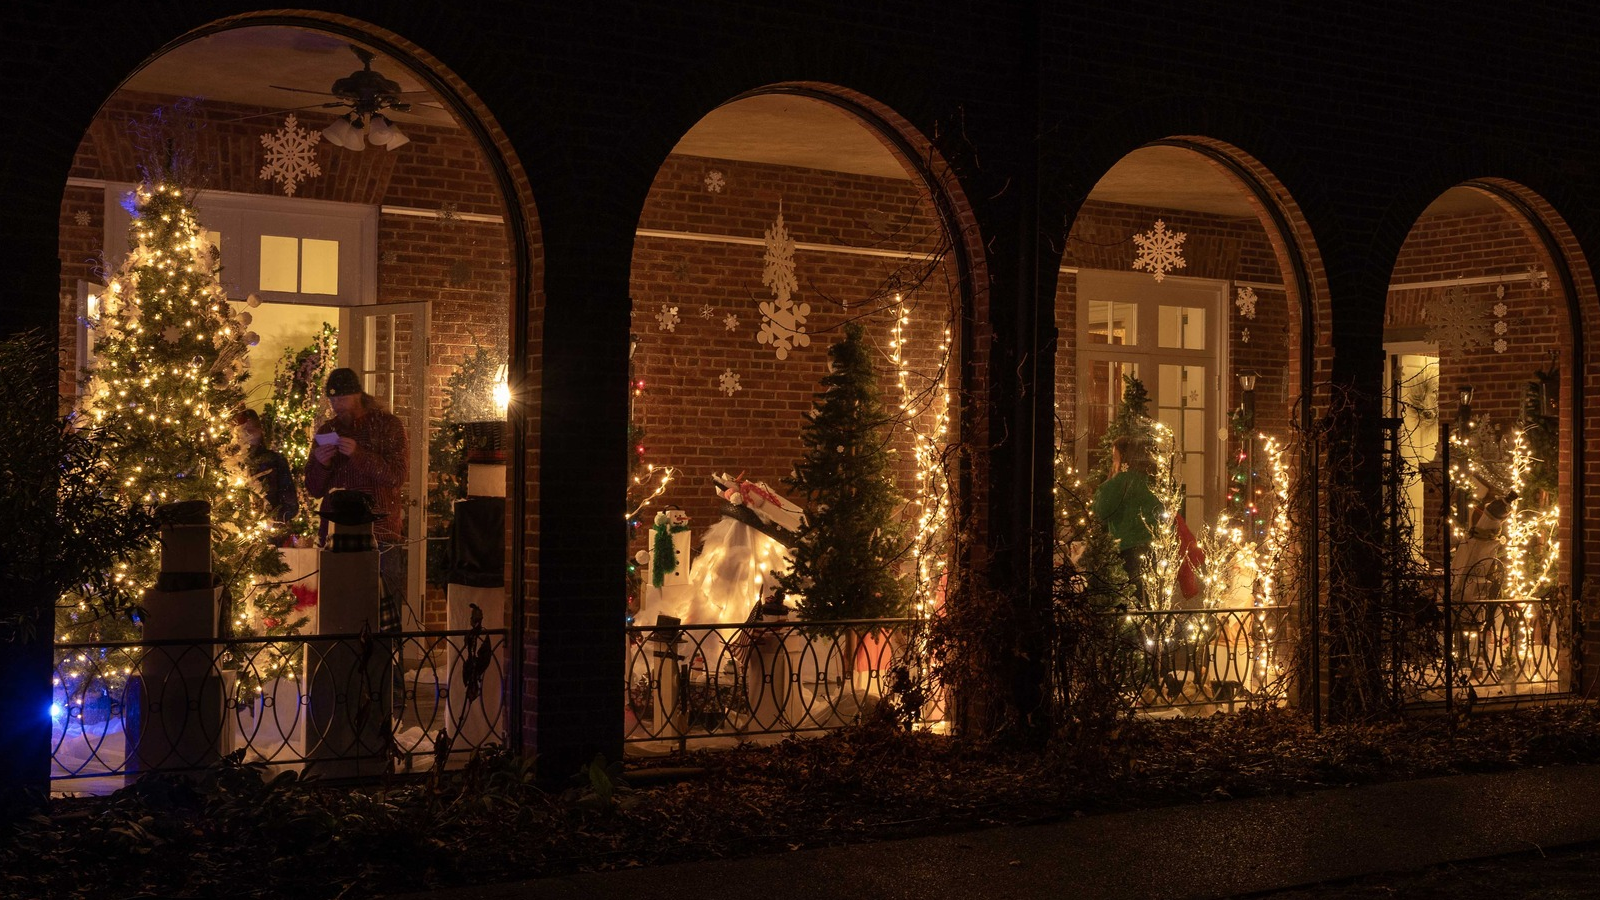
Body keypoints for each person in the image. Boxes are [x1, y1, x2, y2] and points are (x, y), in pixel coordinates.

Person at [306, 367, 410, 631]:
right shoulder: (327, 430)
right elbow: (314, 488)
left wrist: (359, 454)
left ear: (357, 395)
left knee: (382, 616)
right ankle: (341, 668)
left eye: (341, 399)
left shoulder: (388, 426)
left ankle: (386, 669)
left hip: (381, 535)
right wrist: (322, 464)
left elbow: (396, 476)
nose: (335, 406)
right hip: (336, 536)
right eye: (331, 400)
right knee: (340, 613)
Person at [1093, 435, 1164, 606]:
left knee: (1128, 601)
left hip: (1127, 548)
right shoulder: (1151, 481)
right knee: (1149, 598)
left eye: (1114, 456)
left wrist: (1108, 484)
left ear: (1122, 457)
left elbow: (1101, 511)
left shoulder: (1120, 482)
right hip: (1150, 548)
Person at [234, 408, 298, 529]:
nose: (247, 436)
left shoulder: (274, 460)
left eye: (251, 430)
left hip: (267, 530)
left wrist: (273, 519)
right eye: (242, 432)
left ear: (260, 431)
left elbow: (290, 502)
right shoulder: (232, 464)